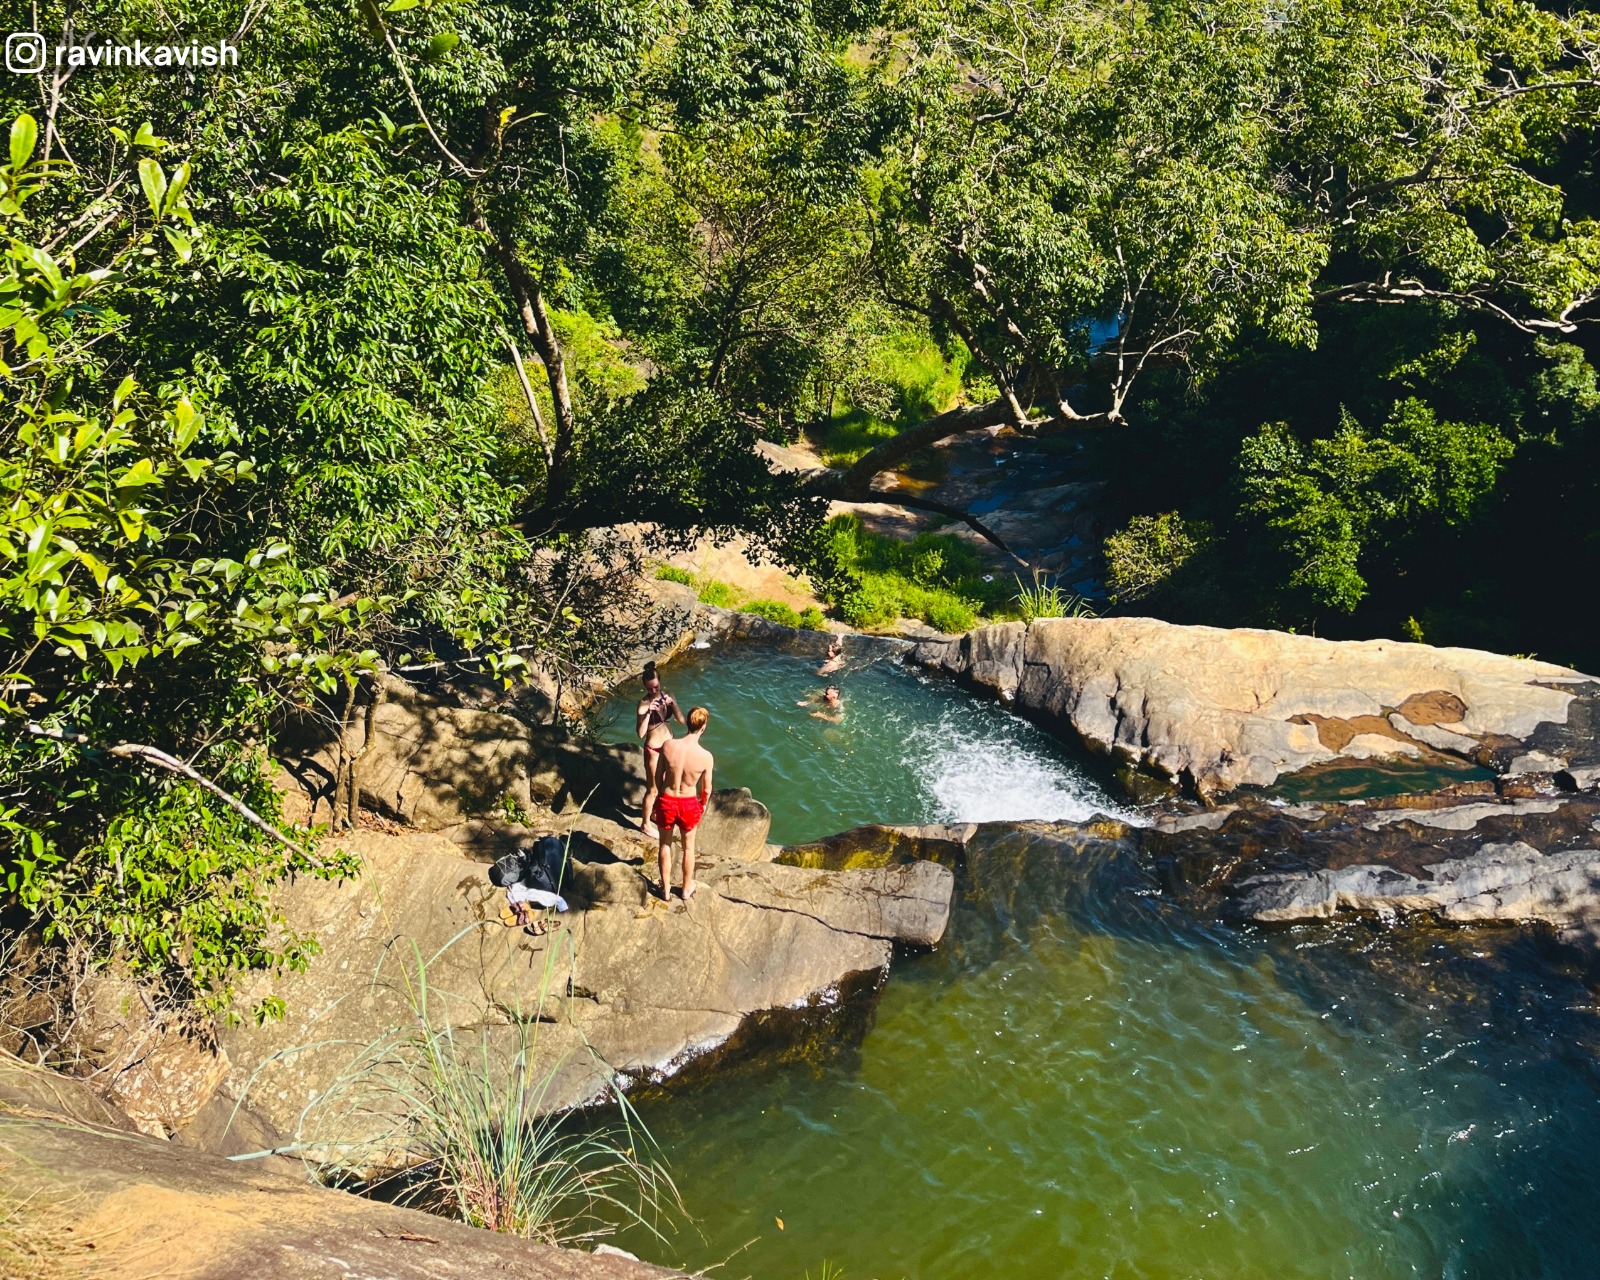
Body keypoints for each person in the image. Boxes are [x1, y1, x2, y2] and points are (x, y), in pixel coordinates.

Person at [652, 705, 714, 902]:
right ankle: (687, 889)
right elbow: (707, 789)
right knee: (688, 848)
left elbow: (657, 774)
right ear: (703, 728)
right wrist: (703, 804)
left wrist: (660, 797)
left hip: (667, 799)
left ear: (687, 722)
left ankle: (666, 889)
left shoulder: (668, 745)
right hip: (688, 803)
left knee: (665, 845)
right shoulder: (705, 756)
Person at [635, 661, 684, 837]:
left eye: (656, 687)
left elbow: (682, 721)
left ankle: (656, 814)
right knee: (653, 789)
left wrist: (673, 704)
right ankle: (645, 824)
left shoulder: (668, 695)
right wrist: (648, 712)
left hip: (669, 747)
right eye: (650, 689)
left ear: (660, 683)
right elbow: (640, 733)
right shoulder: (643, 704)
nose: (654, 691)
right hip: (654, 750)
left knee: (667, 786)